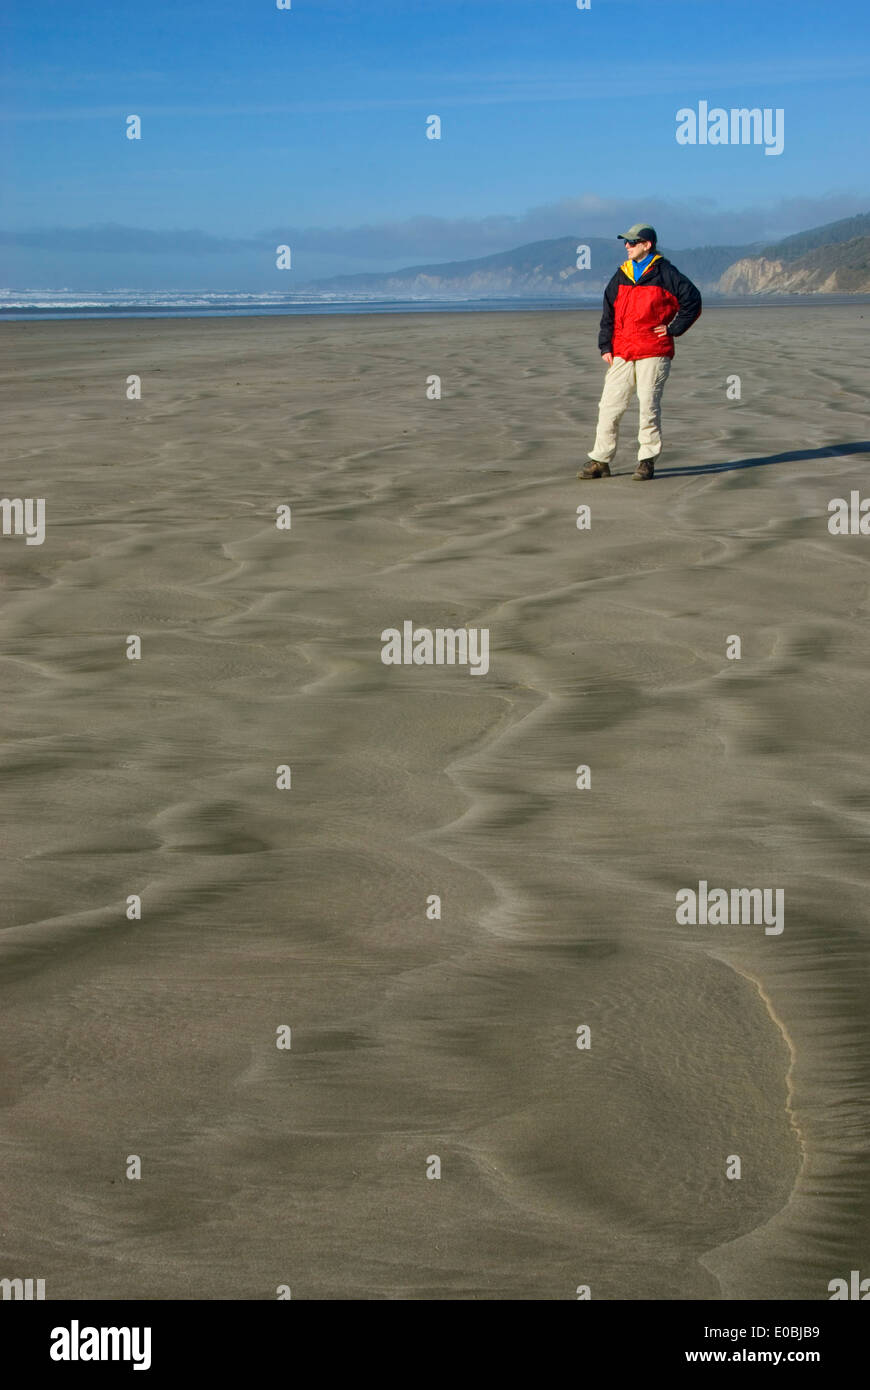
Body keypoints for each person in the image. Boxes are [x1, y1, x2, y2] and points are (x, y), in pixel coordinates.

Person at [578, 223, 702, 481]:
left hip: (654, 350)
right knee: (609, 406)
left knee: (648, 406)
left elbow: (693, 300)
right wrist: (605, 345)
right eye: (626, 241)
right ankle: (600, 460)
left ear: (647, 245)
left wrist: (673, 329)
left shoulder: (666, 273)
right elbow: (608, 313)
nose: (627, 246)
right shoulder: (620, 275)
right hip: (622, 350)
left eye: (633, 242)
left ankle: (646, 461)